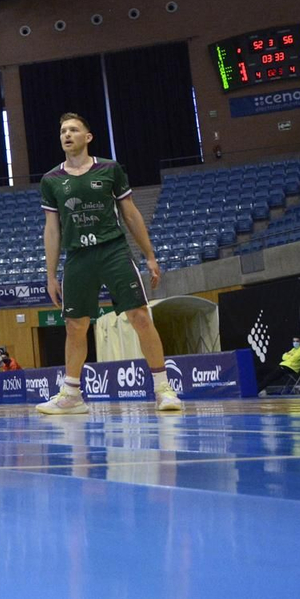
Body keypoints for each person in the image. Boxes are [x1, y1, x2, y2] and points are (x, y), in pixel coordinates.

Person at [36, 113, 183, 414]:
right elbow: (52, 228)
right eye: (63, 130)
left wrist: (150, 255)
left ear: (88, 137)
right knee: (76, 326)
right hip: (77, 256)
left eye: (74, 129)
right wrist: (50, 275)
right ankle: (72, 396)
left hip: (113, 251)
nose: (67, 134)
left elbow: (130, 214)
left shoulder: (110, 169)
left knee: (140, 316)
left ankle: (164, 390)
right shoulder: (51, 180)